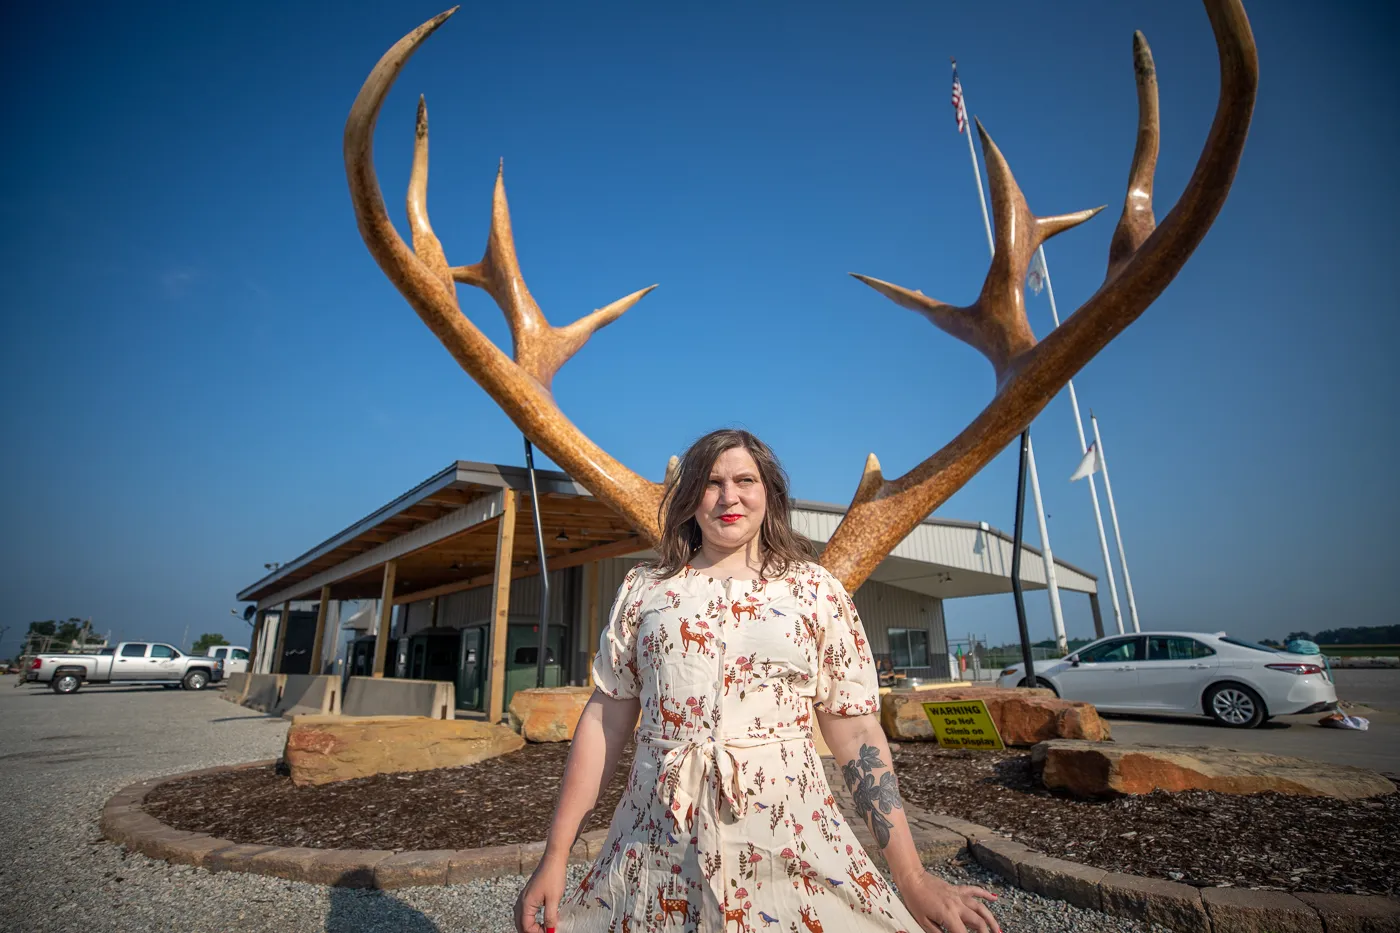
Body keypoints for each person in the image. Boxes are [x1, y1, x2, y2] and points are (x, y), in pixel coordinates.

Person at [515, 429, 1002, 933]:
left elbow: (856, 735)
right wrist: (555, 857)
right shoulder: (645, 591)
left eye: (744, 480)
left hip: (792, 849)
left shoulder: (815, 591)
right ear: (688, 498)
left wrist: (914, 876)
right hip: (656, 854)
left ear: (769, 492)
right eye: (711, 482)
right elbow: (605, 722)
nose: (729, 496)